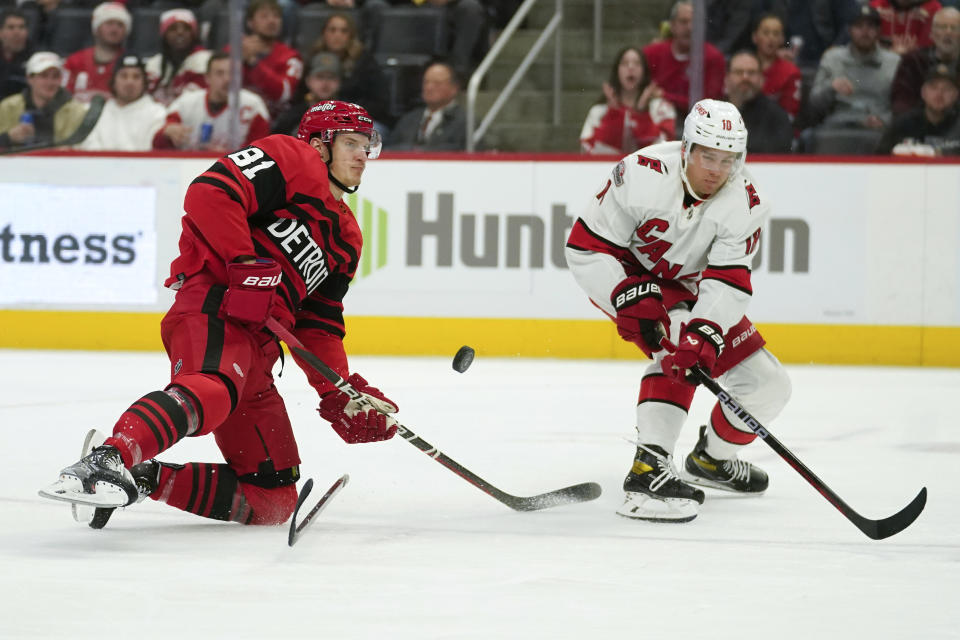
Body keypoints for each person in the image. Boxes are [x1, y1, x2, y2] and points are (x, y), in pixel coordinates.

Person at [39, 100, 401, 528]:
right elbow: (211, 191)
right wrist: (245, 264)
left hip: (260, 350)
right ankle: (106, 460)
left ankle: (141, 478)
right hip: (214, 306)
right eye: (351, 143)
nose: (363, 155)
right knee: (211, 390)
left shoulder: (347, 237)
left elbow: (318, 324)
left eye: (367, 145)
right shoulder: (292, 157)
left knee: (272, 500)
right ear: (319, 145)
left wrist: (340, 391)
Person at [565, 99, 791, 522]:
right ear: (686, 148)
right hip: (629, 277)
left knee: (768, 385)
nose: (716, 170)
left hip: (689, 287)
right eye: (708, 156)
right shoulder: (641, 173)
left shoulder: (747, 201)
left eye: (728, 160)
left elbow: (727, 281)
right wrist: (623, 293)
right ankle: (648, 468)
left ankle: (711, 461)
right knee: (677, 338)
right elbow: (586, 247)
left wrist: (706, 332)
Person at [807, 5, 900, 131]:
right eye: (859, 26)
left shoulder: (894, 61)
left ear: (879, 31)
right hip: (838, 126)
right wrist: (831, 87)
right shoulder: (832, 57)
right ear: (849, 30)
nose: (865, 32)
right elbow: (814, 103)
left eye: (870, 26)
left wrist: (885, 120)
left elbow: (903, 105)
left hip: (878, 127)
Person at [153, 51, 270, 151]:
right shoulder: (186, 103)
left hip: (235, 173)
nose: (227, 79)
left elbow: (260, 152)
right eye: (220, 73)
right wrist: (167, 133)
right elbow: (157, 145)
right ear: (207, 78)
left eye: (232, 73)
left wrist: (227, 157)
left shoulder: (253, 106)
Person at [580, 47, 676, 155]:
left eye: (637, 63)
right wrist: (614, 115)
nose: (631, 67)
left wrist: (642, 115)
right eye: (625, 63)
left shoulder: (660, 108)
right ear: (617, 71)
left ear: (644, 71)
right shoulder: (599, 111)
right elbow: (588, 152)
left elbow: (665, 151)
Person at [643, 1, 726, 115]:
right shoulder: (651, 53)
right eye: (683, 21)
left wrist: (665, 96)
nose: (690, 27)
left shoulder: (714, 58)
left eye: (695, 22)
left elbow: (709, 106)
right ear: (672, 25)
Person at [310, 13, 388, 125]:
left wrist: (349, 115)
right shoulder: (314, 58)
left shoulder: (365, 61)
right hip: (321, 118)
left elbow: (379, 102)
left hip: (360, 119)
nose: (337, 35)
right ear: (324, 33)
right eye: (332, 30)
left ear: (351, 36)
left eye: (344, 31)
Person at [0, 51, 86, 149]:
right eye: (43, 76)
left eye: (56, 76)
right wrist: (8, 138)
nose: (50, 82)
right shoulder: (8, 107)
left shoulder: (76, 111)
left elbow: (80, 147)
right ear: (29, 78)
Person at [79, 55, 166, 151]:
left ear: (144, 82)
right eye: (124, 76)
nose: (130, 82)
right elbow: (88, 147)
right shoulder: (94, 112)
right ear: (113, 81)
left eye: (136, 77)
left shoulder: (158, 113)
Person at [877, 62, 960, 153]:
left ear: (956, 95)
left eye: (947, 89)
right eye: (933, 87)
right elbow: (880, 159)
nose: (939, 94)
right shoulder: (903, 124)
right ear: (923, 92)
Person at [237, 0, 302, 117]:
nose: (271, 21)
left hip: (275, 123)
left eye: (276, 16)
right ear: (250, 23)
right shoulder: (234, 51)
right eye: (264, 16)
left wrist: (253, 63)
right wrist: (239, 61)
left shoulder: (291, 56)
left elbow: (283, 94)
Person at [891, 7, 960, 115]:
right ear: (931, 33)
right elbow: (901, 100)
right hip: (918, 124)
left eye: (955, 28)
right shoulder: (913, 60)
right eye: (942, 27)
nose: (948, 32)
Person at [386, 60, 465, 150]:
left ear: (454, 88)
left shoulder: (466, 123)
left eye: (437, 83)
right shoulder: (408, 119)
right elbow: (388, 150)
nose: (429, 87)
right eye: (426, 82)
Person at [724, 50, 793, 153]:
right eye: (739, 72)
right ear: (727, 78)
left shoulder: (777, 117)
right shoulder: (714, 112)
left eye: (751, 73)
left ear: (762, 79)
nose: (745, 77)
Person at [62, 1, 130, 103]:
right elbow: (61, 95)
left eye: (120, 25)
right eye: (109, 23)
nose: (115, 29)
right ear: (96, 28)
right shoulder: (74, 61)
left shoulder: (130, 64)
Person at [145, 8, 211, 106]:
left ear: (193, 35)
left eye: (186, 28)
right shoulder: (153, 63)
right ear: (164, 35)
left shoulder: (205, 60)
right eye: (173, 28)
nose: (180, 32)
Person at [272, 51, 342, 136]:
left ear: (339, 82)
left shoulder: (349, 116)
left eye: (331, 77)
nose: (325, 83)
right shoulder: (292, 117)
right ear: (308, 81)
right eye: (320, 77)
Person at [752, 13, 803, 119]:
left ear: (782, 39)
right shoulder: (744, 67)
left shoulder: (791, 72)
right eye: (766, 33)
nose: (771, 38)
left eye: (776, 34)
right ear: (755, 37)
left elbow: (789, 115)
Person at [870, 0, 943, 55]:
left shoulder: (932, 7)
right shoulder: (877, 6)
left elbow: (931, 48)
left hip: (919, 63)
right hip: (882, 59)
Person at [0, 10, 31, 100]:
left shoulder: (35, 58)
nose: (17, 32)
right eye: (11, 27)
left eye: (21, 27)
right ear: (0, 33)